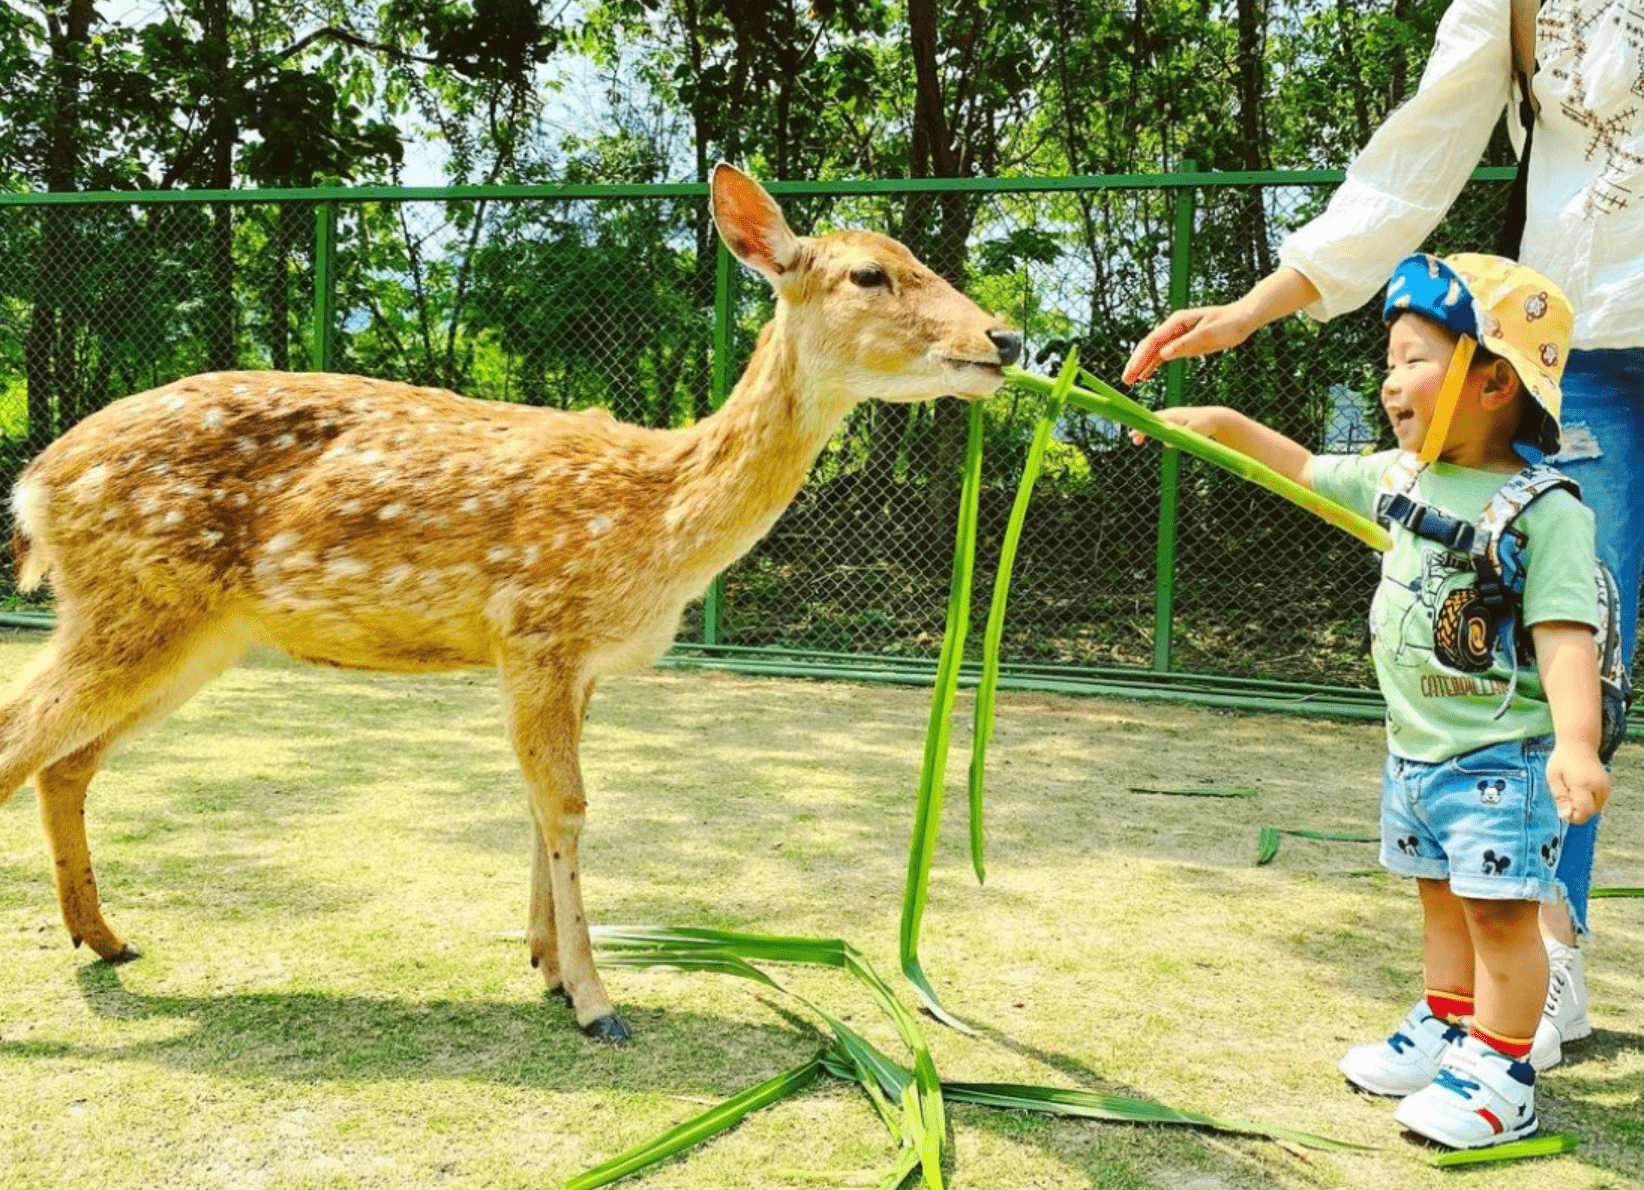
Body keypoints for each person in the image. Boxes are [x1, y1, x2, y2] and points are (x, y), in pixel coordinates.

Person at [1122, 0, 1640, 1067]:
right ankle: (1535, 973)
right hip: (1579, 345)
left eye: (1411, 360)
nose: (1391, 382)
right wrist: (1249, 315)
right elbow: (1412, 159)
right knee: (1560, 647)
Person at [1135, 253, 1606, 1150]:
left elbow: (1564, 634)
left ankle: (1504, 1073)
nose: (1391, 382)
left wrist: (1576, 743)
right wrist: (1222, 422)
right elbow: (1308, 469)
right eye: (1388, 361)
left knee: (1502, 918)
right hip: (1416, 753)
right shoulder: (1402, 477)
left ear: (1494, 379)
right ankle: (1448, 1024)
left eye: (1412, 358)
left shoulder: (1546, 509)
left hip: (1500, 760)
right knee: (1439, 899)